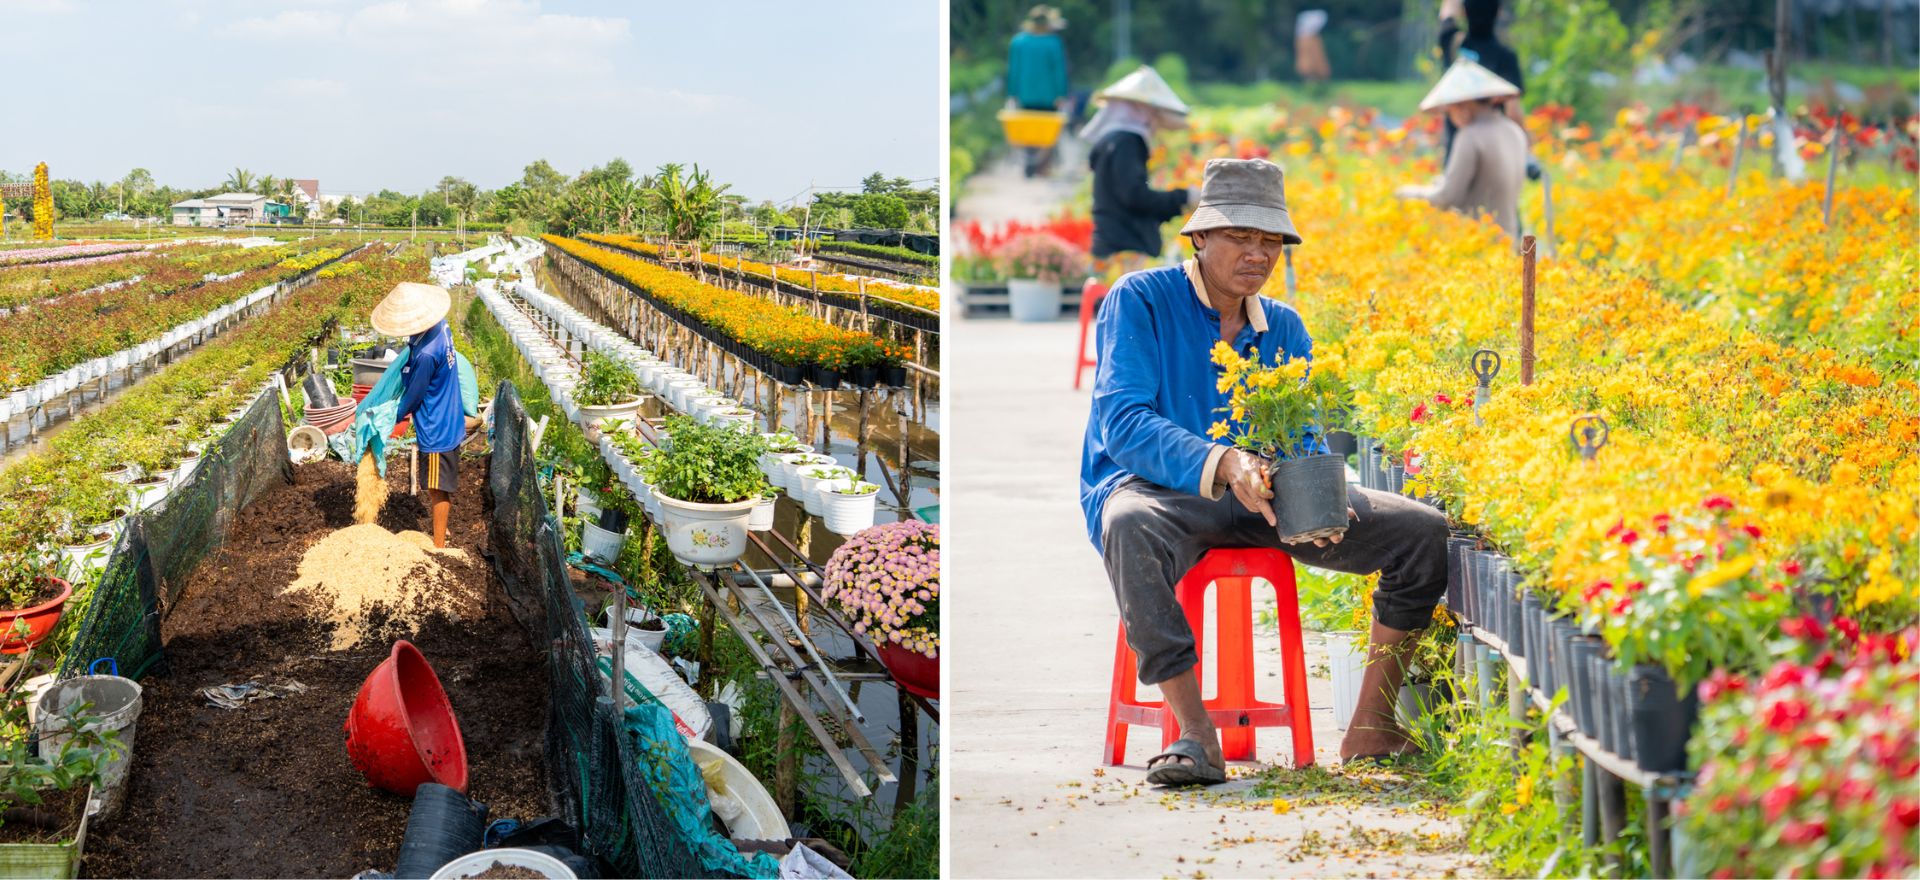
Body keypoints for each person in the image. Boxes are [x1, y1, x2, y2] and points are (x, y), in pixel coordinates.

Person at [1081, 158, 1449, 786]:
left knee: (1423, 532)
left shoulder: (1284, 325)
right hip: (1160, 493)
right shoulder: (1140, 300)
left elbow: (1303, 433)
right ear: (1200, 237)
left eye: (1270, 240)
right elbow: (1124, 423)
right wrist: (1222, 462)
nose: (1257, 254)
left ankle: (1372, 723)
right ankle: (1196, 734)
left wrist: (1317, 499)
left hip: (1266, 501)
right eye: (1240, 237)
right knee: (1128, 523)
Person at [370, 281, 468, 548]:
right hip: (449, 412)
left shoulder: (426, 354)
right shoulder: (440, 326)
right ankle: (441, 532)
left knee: (438, 489)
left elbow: (413, 396)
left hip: (438, 427)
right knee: (438, 485)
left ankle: (438, 546)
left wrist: (391, 416)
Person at [1395, 59, 1528, 243]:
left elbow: (1448, 196)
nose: (1451, 117)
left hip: (1478, 244)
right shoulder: (1514, 131)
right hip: (1509, 239)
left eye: (1449, 111)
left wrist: (1410, 192)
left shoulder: (1470, 136)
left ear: (1461, 106)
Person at [1083, 65, 1194, 275]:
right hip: (1124, 246)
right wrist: (1183, 197)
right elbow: (1135, 196)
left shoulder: (1112, 140)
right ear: (1139, 110)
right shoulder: (1127, 142)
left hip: (1110, 243)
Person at [1437, 0, 1526, 162]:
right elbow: (1513, 110)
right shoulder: (1505, 57)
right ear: (1499, 12)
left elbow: (1448, 9)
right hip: (1492, 152)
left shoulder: (1451, 42)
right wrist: (1525, 151)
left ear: (1464, 12)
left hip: (1456, 148)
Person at [1005, 5, 1069, 112]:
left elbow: (1014, 71)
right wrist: (1061, 94)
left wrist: (1012, 94)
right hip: (1050, 98)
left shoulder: (1018, 42)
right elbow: (1059, 72)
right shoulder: (1054, 42)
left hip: (1024, 96)